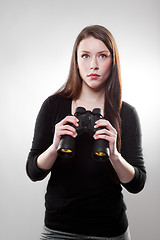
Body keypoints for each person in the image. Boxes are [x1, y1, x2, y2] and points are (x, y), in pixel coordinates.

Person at [26, 25, 146, 240]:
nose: (93, 65)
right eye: (85, 56)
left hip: (111, 230)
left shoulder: (125, 113)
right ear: (76, 61)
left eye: (102, 56)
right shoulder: (54, 105)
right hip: (59, 229)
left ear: (113, 61)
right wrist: (55, 147)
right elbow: (33, 171)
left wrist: (115, 155)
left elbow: (137, 184)